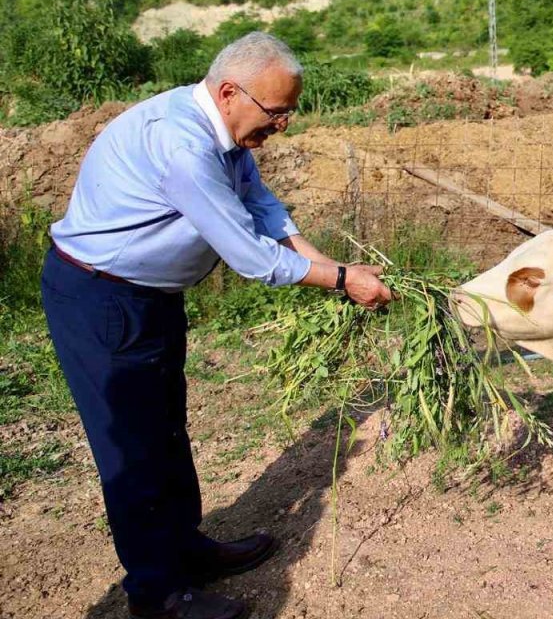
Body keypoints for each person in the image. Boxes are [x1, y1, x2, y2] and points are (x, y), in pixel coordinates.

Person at [41, 31, 393, 619]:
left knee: (167, 431)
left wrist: (336, 266)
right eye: (276, 112)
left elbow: (265, 211)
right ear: (230, 91)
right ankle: (157, 595)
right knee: (132, 448)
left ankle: (187, 549)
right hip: (102, 300)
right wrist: (339, 281)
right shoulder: (183, 144)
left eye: (288, 113)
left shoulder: (226, 133)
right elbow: (253, 256)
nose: (282, 126)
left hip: (149, 298)